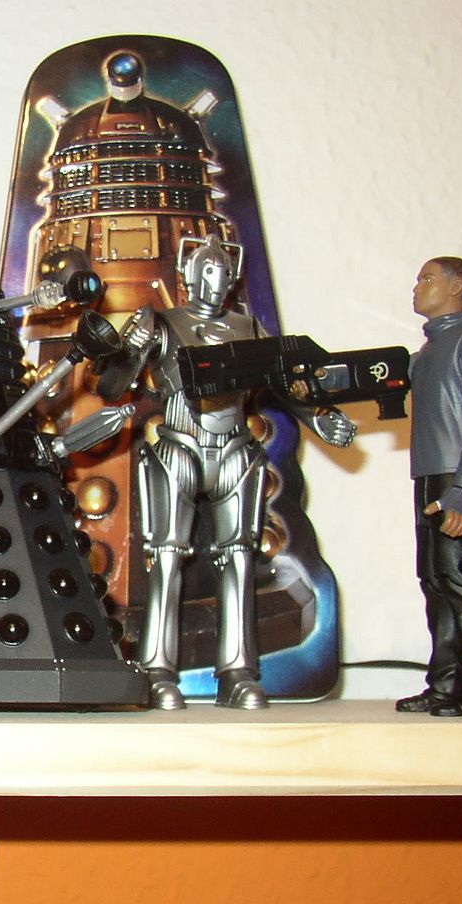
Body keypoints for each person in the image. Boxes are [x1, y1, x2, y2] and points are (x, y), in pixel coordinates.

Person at [95, 236, 356, 709]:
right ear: (189, 274)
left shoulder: (247, 327)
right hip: (179, 446)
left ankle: (237, 672)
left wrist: (320, 417)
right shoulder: (162, 323)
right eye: (206, 271)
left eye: (221, 272)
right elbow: (112, 386)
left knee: (240, 560)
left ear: (232, 278)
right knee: (166, 560)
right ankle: (157, 670)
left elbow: (286, 382)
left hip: (235, 449)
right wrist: (129, 351)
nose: (214, 282)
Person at [395, 256, 462, 716]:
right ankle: (444, 684)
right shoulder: (424, 355)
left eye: (427, 278)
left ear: (457, 286)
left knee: (461, 581)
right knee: (435, 582)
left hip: (455, 476)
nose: (417, 286)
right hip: (427, 476)